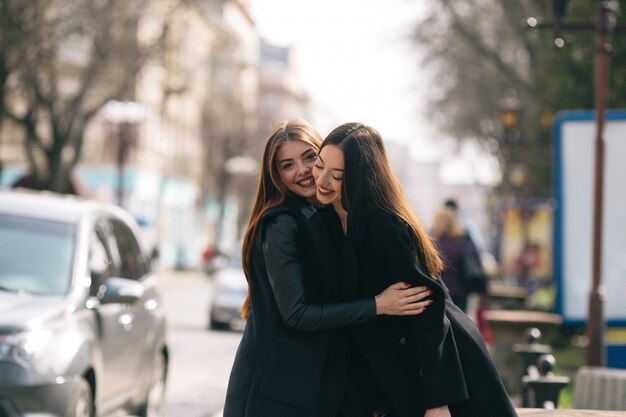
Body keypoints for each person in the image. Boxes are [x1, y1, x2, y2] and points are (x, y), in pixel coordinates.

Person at [223, 119, 432, 417]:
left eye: (309, 157)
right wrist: (378, 305)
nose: (303, 171)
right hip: (273, 391)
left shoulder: (323, 215)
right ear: (276, 176)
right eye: (287, 165)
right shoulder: (282, 224)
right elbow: (297, 312)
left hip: (304, 386)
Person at [312, 122, 517, 417]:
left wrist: (438, 401)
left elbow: (428, 310)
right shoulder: (326, 219)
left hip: (441, 363)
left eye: (338, 175)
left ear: (360, 177)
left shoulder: (386, 226)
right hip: (390, 371)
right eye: (320, 166)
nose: (323, 179)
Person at [430, 207, 487, 313]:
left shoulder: (431, 245)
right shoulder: (463, 243)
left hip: (438, 293)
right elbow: (476, 262)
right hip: (461, 292)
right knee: (459, 325)